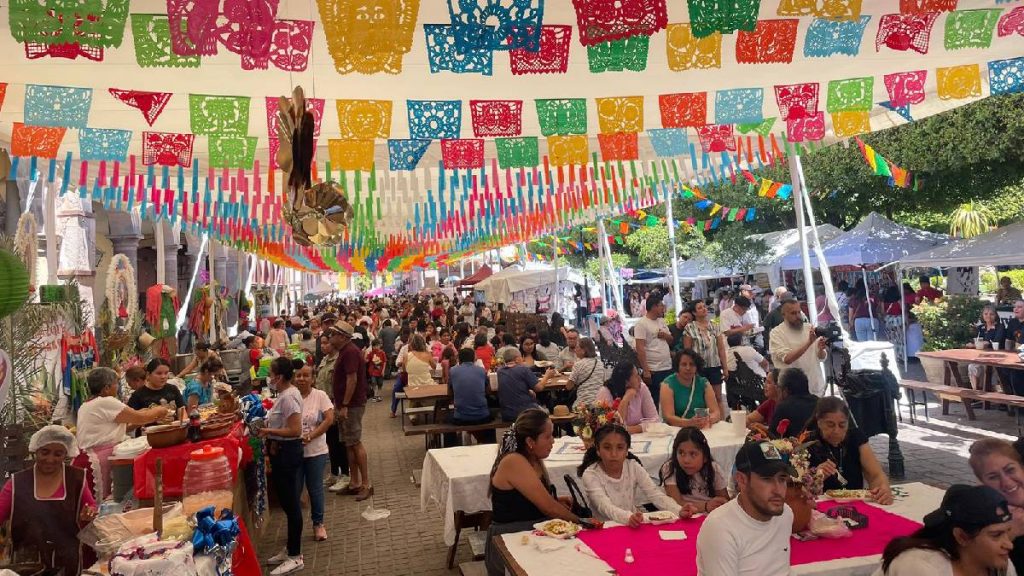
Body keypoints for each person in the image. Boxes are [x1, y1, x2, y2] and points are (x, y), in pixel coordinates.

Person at [485, 409, 581, 576]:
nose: (553, 441)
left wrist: (556, 500)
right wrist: (580, 523)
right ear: (530, 441)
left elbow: (526, 501)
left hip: (529, 533)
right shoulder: (514, 461)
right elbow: (549, 509)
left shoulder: (532, 459)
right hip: (509, 540)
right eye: (548, 436)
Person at [0, 425, 98, 575]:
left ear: (66, 454)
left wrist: (89, 513)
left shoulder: (76, 479)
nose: (50, 459)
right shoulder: (16, 483)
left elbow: (90, 506)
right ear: (36, 450)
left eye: (58, 454)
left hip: (68, 562)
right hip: (27, 564)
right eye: (45, 452)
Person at [696, 440, 795, 576]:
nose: (778, 490)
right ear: (741, 480)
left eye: (782, 479)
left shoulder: (785, 514)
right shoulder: (720, 528)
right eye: (767, 479)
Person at [875, 484, 1017, 576]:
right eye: (996, 535)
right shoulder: (920, 567)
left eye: (1007, 532)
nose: (1009, 544)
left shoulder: (999, 565)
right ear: (962, 537)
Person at [74, 367, 170, 500]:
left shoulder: (87, 405)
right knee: (107, 502)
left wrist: (146, 413)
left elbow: (124, 425)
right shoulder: (106, 401)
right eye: (116, 384)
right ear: (107, 388)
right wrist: (160, 410)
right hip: (97, 461)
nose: (117, 387)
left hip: (87, 459)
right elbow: (140, 418)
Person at [577, 424, 691, 525]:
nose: (613, 454)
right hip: (605, 528)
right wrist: (628, 517)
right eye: (607, 448)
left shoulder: (632, 466)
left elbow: (655, 494)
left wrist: (678, 510)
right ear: (598, 450)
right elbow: (605, 507)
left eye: (620, 448)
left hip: (633, 524)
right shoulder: (591, 474)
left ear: (627, 450)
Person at [258, 357, 305, 575]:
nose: (269, 377)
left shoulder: (289, 398)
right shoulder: (285, 395)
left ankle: (296, 556)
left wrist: (268, 431)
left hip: (287, 453)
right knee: (288, 503)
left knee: (291, 505)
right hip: (281, 453)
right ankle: (290, 549)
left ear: (279, 376)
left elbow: (295, 430)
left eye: (271, 373)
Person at [806, 397, 894, 504]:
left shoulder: (856, 438)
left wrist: (883, 490)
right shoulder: (808, 443)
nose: (836, 431)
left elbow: (875, 475)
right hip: (821, 505)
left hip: (855, 503)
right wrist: (816, 476)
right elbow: (798, 488)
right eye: (830, 425)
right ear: (819, 422)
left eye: (842, 425)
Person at [329, 322, 372, 502]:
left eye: (333, 334)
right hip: (345, 404)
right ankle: (354, 482)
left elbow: (352, 379)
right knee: (348, 443)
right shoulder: (345, 352)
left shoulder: (351, 352)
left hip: (352, 405)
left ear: (343, 337)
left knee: (355, 443)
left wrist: (345, 404)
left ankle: (366, 484)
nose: (330, 337)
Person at [968, 438, 1024, 574]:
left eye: (1010, 470)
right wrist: (1007, 535)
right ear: (982, 483)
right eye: (993, 477)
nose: (1007, 483)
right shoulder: (982, 521)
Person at [294, 360, 334, 542]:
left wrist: (311, 436)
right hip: (294, 451)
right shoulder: (289, 396)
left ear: (313, 378)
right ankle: (295, 527)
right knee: (295, 490)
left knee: (315, 488)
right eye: (298, 375)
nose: (301, 379)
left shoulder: (320, 396)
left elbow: (328, 419)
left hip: (316, 451)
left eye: (305, 375)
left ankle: (318, 524)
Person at [659, 427, 729, 512]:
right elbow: (675, 503)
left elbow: (724, 501)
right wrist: (706, 506)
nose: (686, 460)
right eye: (681, 453)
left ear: (705, 457)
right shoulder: (670, 468)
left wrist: (717, 504)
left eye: (693, 454)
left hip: (710, 515)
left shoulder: (714, 469)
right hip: (682, 514)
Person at [769, 299, 828, 397]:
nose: (797, 316)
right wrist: (809, 343)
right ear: (784, 315)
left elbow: (821, 357)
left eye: (799, 312)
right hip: (793, 391)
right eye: (793, 313)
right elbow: (787, 359)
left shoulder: (809, 328)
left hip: (816, 388)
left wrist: (821, 349)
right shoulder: (777, 333)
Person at [683, 301, 729, 415]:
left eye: (704, 306)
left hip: (714, 365)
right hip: (698, 368)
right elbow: (687, 351)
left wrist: (725, 367)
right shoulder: (690, 327)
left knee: (717, 396)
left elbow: (721, 348)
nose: (704, 309)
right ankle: (703, 421)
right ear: (694, 312)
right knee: (701, 397)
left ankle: (721, 421)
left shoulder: (714, 326)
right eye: (699, 308)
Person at [317, 334, 350, 493]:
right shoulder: (324, 361)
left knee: (339, 442)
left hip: (335, 406)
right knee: (330, 441)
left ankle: (345, 474)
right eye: (321, 343)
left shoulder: (339, 360)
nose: (323, 346)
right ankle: (334, 473)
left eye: (326, 343)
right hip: (324, 408)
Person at [660, 349, 721, 428]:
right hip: (677, 429)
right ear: (677, 366)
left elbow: (716, 412)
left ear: (697, 367)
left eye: (692, 364)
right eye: (684, 364)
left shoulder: (704, 383)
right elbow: (668, 417)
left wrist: (707, 419)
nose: (688, 368)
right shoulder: (667, 384)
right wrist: (689, 423)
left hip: (702, 428)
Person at [634, 295, 675, 407]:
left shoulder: (662, 321)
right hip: (653, 369)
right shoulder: (641, 324)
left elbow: (671, 340)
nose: (663, 308)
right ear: (653, 307)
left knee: (669, 399)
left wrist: (665, 335)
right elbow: (640, 348)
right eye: (661, 305)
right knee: (653, 400)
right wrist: (646, 370)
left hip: (667, 366)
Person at [496, 347, 557, 422]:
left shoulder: (500, 371)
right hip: (525, 413)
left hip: (507, 414)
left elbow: (514, 384)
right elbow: (539, 388)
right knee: (547, 413)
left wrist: (528, 391)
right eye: (521, 357)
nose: (523, 359)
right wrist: (547, 376)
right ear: (517, 359)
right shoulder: (523, 369)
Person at [596, 362, 659, 434]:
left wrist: (629, 429)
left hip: (641, 437)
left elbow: (655, 420)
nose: (640, 379)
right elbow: (610, 428)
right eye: (636, 376)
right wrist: (625, 400)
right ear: (626, 382)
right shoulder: (605, 392)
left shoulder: (642, 388)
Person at [127, 358, 186, 428]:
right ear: (148, 374)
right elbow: (127, 425)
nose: (163, 377)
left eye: (166, 373)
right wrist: (151, 418)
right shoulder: (138, 395)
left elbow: (182, 411)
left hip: (173, 431)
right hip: (148, 437)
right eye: (159, 373)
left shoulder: (173, 389)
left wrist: (182, 423)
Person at [767, 368, 819, 437]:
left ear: (785, 390)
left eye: (779, 387)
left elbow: (772, 437)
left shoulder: (783, 408)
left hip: (795, 447)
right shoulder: (820, 403)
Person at [450, 348, 492, 425]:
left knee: (444, 418)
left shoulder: (453, 371)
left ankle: (455, 437)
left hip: (461, 417)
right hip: (482, 416)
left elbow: (450, 392)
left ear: (459, 359)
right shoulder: (481, 370)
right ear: (474, 358)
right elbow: (488, 391)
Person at [969, 304, 1007, 390]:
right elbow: (975, 340)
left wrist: (978, 344)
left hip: (997, 357)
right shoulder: (981, 327)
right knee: (972, 366)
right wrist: (972, 344)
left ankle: (987, 391)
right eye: (986, 314)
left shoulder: (1000, 327)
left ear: (995, 315)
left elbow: (995, 341)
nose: (988, 316)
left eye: (991, 314)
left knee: (983, 368)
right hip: (981, 356)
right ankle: (976, 392)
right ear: (982, 315)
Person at [566, 337, 607, 410]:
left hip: (583, 404)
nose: (575, 349)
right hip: (599, 403)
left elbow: (569, 386)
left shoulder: (578, 364)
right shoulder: (600, 363)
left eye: (577, 347)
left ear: (584, 350)